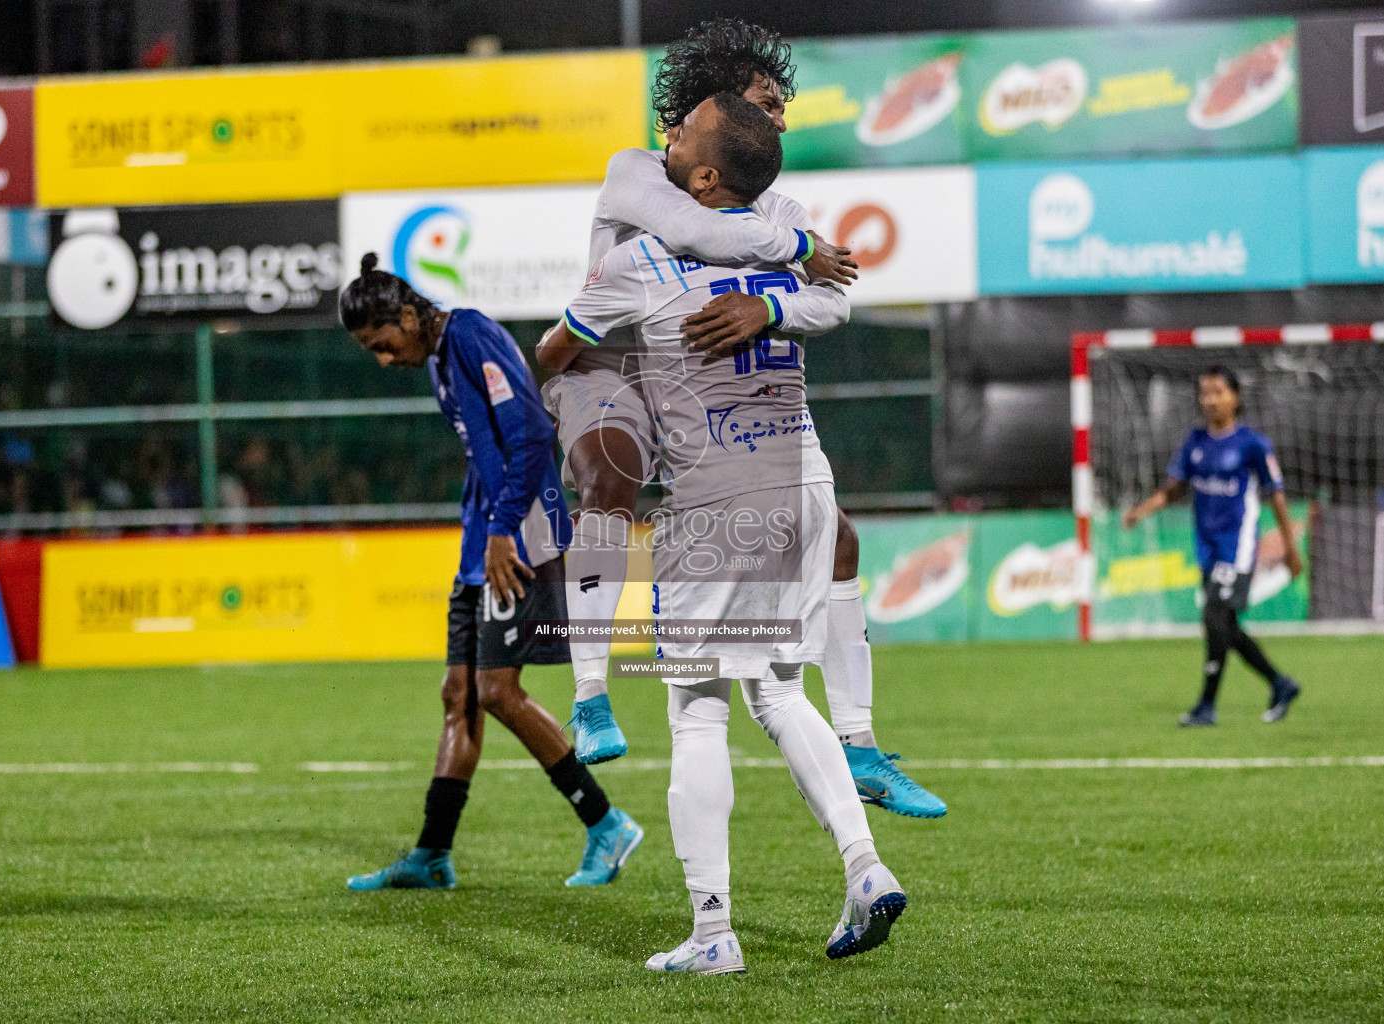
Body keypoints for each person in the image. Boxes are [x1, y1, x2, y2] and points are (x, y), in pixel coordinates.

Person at [544, 15, 945, 820]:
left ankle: (862, 747)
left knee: (838, 539)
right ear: (715, 106)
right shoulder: (637, 170)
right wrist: (794, 249)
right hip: (616, 365)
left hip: (705, 383)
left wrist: (773, 311)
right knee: (608, 491)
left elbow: (832, 300)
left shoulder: (771, 199)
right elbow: (697, 228)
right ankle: (591, 697)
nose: (781, 121)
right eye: (766, 102)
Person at [545, 92, 906, 973]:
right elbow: (831, 294)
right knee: (780, 691)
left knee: (696, 712)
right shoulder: (787, 262)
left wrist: (564, 383)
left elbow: (554, 352)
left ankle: (713, 935)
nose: (667, 139)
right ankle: (865, 869)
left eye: (685, 135)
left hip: (718, 504)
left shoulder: (641, 259)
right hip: (805, 489)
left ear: (704, 178)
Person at [337, 254, 643, 890]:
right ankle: (431, 855)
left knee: (497, 691)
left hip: (521, 535)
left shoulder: (471, 335)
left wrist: (502, 531)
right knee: (459, 693)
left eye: (383, 342)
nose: (384, 358)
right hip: (485, 541)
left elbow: (531, 433)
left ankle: (607, 824)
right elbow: (487, 453)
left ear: (407, 314)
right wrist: (479, 533)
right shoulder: (442, 359)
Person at [1122, 366, 1304, 727]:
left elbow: (1277, 497)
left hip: (1236, 547)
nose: (1210, 399)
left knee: (1213, 618)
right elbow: (1174, 489)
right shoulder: (1195, 443)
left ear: (1235, 397)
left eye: (1218, 391)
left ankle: (1206, 706)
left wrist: (1290, 549)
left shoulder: (1253, 445)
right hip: (1206, 548)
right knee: (1226, 626)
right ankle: (1280, 683)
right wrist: (1143, 510)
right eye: (1204, 392)